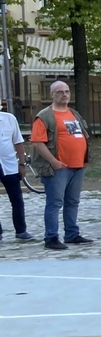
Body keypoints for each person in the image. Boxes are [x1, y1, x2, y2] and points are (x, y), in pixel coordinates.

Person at [30, 80, 93, 250]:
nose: (64, 94)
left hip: (77, 166)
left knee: (72, 201)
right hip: (58, 167)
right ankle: (51, 237)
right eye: (59, 92)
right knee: (55, 203)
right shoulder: (44, 116)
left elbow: (83, 136)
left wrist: (85, 158)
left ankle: (71, 234)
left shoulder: (73, 113)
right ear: (52, 94)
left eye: (66, 91)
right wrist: (53, 161)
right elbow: (37, 141)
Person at [0, 101, 32, 241]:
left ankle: (21, 230)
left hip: (9, 165)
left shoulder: (9, 119)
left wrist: (22, 163)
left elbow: (18, 142)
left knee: (17, 199)